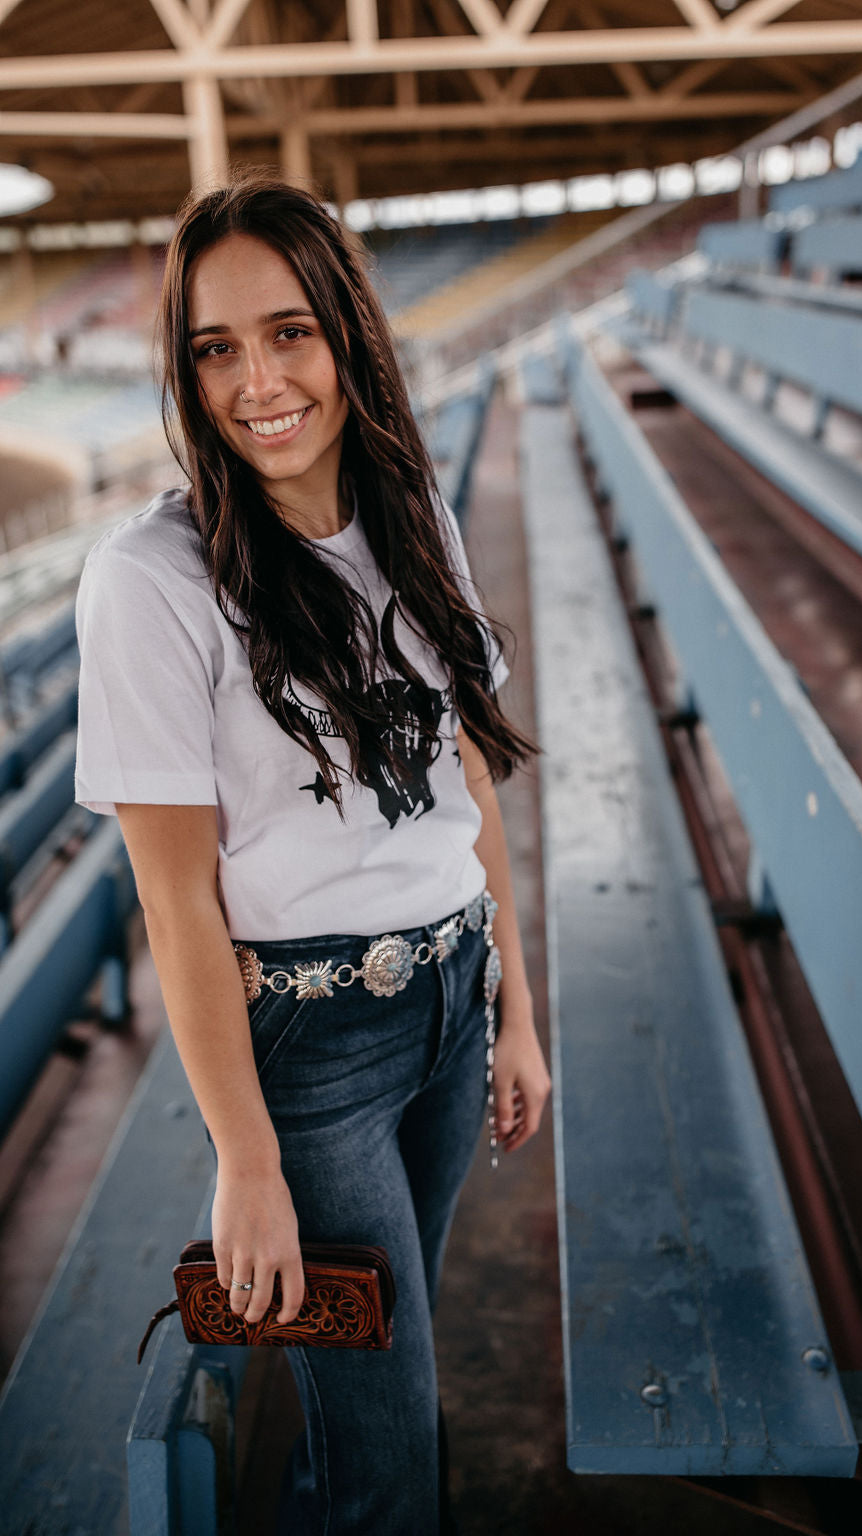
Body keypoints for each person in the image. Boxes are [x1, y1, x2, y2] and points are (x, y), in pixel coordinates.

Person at [73, 173, 551, 1536]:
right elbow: (174, 893)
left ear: (348, 333)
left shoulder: (417, 518)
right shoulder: (154, 580)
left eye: (289, 332)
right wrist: (248, 1159)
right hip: (313, 1055)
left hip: (455, 1005)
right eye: (214, 348)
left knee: (377, 1399)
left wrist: (517, 1008)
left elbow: (468, 780)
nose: (257, 381)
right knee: (394, 1449)